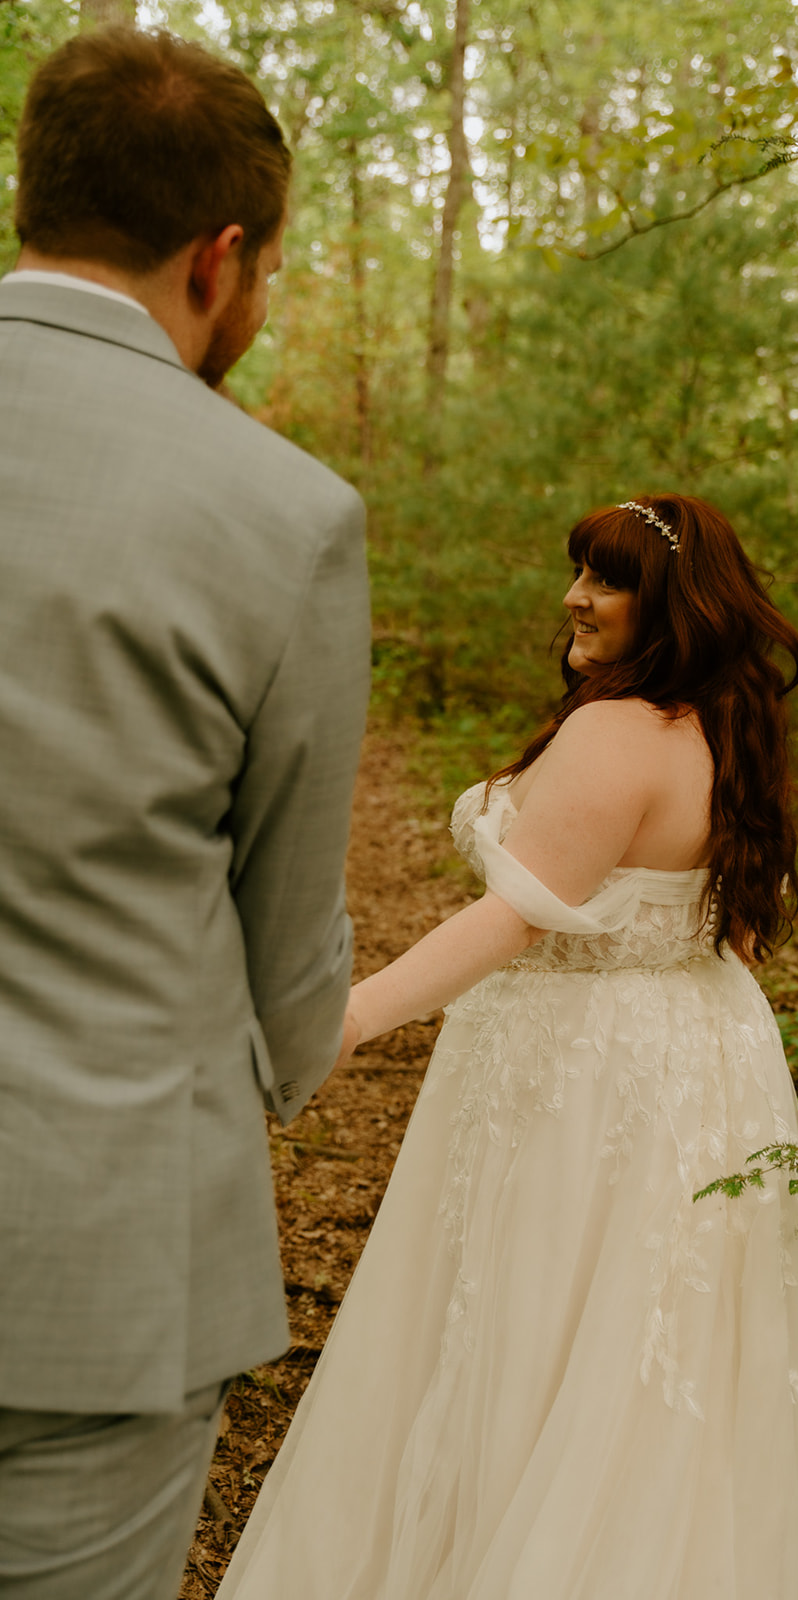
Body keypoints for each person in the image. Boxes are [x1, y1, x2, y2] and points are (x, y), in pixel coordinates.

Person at [217, 496, 798, 1600]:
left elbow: (511, 919)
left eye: (608, 579)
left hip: (584, 1071)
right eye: (578, 569)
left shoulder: (615, 731)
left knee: (535, 1338)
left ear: (672, 601)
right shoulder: (730, 720)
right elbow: (738, 921)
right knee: (651, 1370)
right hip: (704, 1051)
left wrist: (342, 1020)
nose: (576, 596)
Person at [0, 26, 369, 1600]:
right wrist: (278, 1079)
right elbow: (289, 953)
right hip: (97, 1264)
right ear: (219, 258)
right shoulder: (282, 516)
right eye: (271, 271)